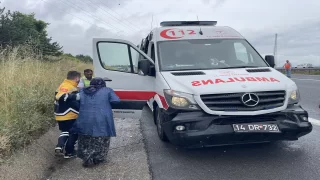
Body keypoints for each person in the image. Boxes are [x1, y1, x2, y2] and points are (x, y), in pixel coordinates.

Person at [72, 77, 120, 167]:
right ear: (103, 84)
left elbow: (75, 101)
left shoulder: (82, 91)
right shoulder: (107, 90)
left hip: (84, 119)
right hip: (102, 119)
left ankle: (87, 159)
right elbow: (116, 100)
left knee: (85, 139)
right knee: (101, 139)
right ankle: (98, 159)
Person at [54, 71, 81, 159]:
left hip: (60, 114)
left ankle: (60, 146)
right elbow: (60, 96)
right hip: (68, 114)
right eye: (79, 79)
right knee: (73, 133)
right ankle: (69, 152)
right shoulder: (67, 86)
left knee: (65, 131)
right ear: (76, 78)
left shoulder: (65, 84)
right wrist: (76, 97)